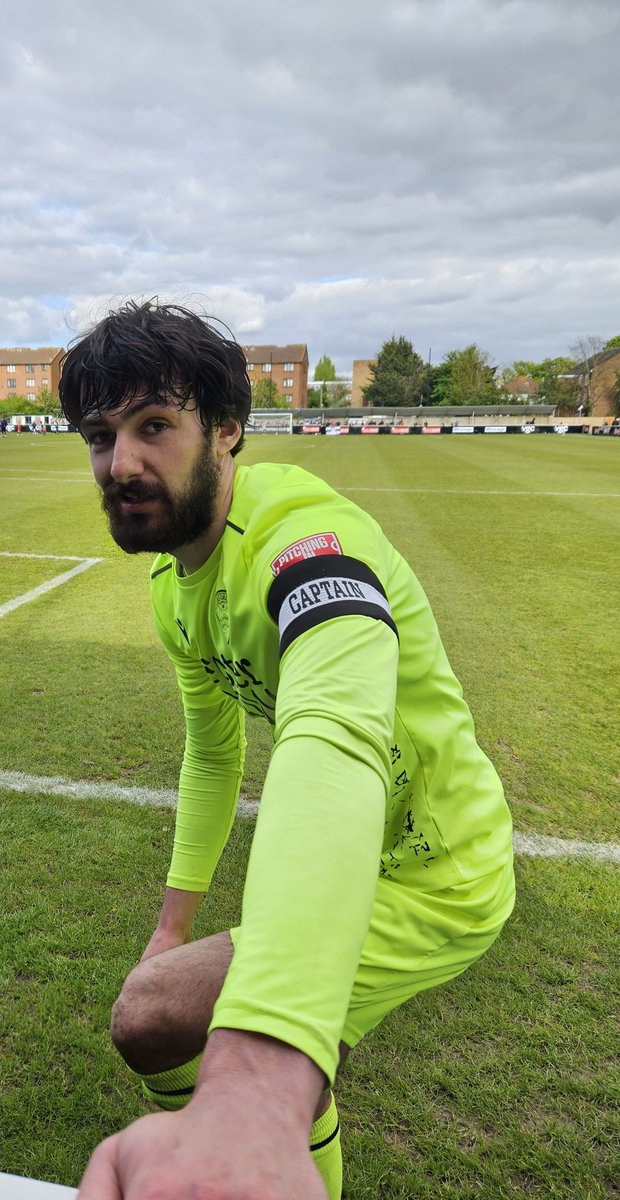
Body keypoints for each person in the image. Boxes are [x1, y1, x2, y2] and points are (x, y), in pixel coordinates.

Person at [58, 301, 515, 1200]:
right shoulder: (174, 582)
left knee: (155, 1018)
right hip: (365, 865)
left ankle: (266, 1130)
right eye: (100, 436)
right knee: (157, 1019)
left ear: (228, 431)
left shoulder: (307, 542)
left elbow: (332, 735)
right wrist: (172, 922)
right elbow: (212, 754)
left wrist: (255, 1086)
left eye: (156, 426)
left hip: (440, 878)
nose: (124, 464)